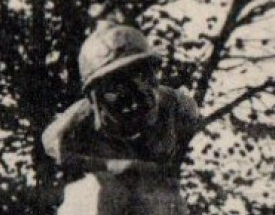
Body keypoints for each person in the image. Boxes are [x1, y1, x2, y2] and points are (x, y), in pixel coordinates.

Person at [41, 21, 201, 176]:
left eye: (142, 75)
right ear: (94, 98)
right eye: (117, 84)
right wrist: (111, 166)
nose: (136, 91)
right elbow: (54, 146)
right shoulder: (68, 131)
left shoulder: (180, 107)